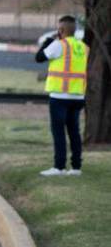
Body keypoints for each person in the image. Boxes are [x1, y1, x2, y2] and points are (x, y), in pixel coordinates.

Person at [36, 15, 87, 176]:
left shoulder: (59, 45)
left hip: (59, 96)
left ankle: (59, 167)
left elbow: (39, 58)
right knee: (74, 131)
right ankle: (76, 167)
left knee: (58, 131)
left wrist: (47, 42)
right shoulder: (82, 47)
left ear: (61, 29)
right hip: (78, 95)